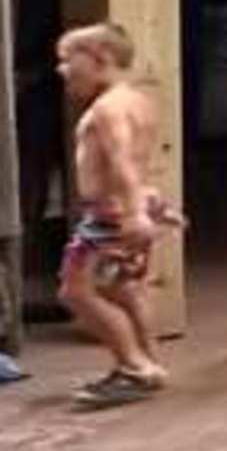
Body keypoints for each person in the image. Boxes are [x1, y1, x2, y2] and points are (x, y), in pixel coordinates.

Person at [53, 21, 179, 407]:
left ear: (100, 58)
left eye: (68, 59)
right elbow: (138, 166)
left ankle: (134, 369)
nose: (62, 70)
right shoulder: (139, 102)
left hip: (110, 221)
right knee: (123, 290)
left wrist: (136, 213)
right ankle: (149, 361)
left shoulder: (107, 110)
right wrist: (149, 203)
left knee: (75, 292)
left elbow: (121, 161)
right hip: (127, 211)